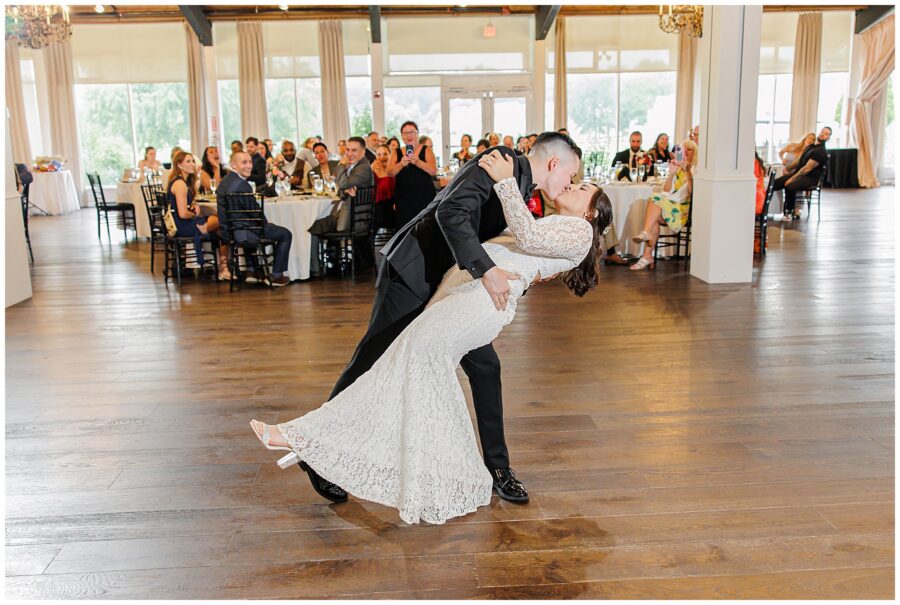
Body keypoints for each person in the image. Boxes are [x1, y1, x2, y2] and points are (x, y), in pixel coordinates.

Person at [250, 142, 611, 524]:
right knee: (374, 359)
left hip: (462, 292)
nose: (571, 183)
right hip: (418, 272)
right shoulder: (503, 164)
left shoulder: (523, 188)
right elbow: (451, 211)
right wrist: (489, 268)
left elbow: (523, 240)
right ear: (555, 163)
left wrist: (523, 270)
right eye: (572, 175)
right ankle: (318, 450)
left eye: (578, 183)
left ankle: (497, 469)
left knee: (483, 369)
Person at [216, 151, 293, 286]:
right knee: (286, 234)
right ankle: (276, 275)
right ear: (233, 165)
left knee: (249, 224)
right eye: (244, 162)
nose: (249, 166)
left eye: (250, 162)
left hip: (231, 232)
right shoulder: (242, 185)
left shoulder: (225, 182)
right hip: (244, 233)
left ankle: (253, 271)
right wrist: (266, 224)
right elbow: (256, 213)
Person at [630, 139, 698, 270]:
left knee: (653, 200)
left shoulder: (696, 170)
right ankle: (647, 255)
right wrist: (672, 173)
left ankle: (645, 238)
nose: (686, 152)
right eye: (684, 149)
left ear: (695, 153)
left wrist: (687, 171)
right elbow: (666, 191)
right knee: (654, 211)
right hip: (671, 205)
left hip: (683, 210)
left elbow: (692, 192)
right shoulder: (678, 168)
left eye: (690, 149)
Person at [166, 150, 229, 279]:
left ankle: (223, 267)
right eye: (188, 161)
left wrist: (193, 208)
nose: (192, 164)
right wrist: (195, 215)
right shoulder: (180, 184)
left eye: (193, 161)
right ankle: (223, 267)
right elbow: (183, 214)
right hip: (182, 226)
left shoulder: (184, 182)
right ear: (179, 165)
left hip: (183, 222)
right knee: (223, 222)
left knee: (221, 226)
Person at [773, 126, 831, 221]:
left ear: (828, 138)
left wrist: (791, 179)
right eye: (822, 131)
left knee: (790, 185)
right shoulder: (811, 147)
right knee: (775, 183)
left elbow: (806, 169)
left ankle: (789, 212)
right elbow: (799, 161)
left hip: (810, 179)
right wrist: (787, 168)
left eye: (826, 134)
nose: (823, 134)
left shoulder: (820, 152)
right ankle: (763, 209)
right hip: (801, 174)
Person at [389, 121, 437, 227]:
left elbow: (433, 171)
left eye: (412, 132)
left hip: (425, 197)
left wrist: (418, 162)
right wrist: (401, 164)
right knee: (405, 229)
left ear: (417, 134)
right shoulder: (396, 152)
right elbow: (390, 173)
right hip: (404, 199)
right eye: (405, 133)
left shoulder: (427, 150)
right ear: (402, 136)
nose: (409, 135)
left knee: (426, 228)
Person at [372, 144, 396, 229]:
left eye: (385, 154)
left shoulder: (394, 170)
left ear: (390, 155)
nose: (382, 157)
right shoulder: (372, 171)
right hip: (377, 207)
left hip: (393, 206)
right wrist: (370, 170)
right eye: (379, 154)